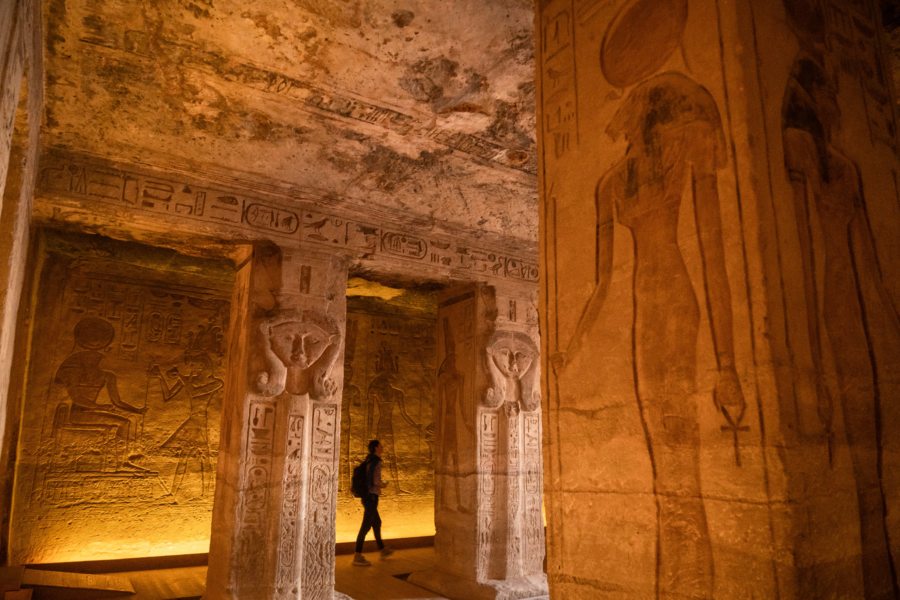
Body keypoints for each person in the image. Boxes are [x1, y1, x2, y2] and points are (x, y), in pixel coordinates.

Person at [353, 439, 393, 566]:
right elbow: (375, 481)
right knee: (366, 526)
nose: (382, 447)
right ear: (376, 448)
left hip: (367, 496)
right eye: (381, 446)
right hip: (371, 497)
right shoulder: (376, 461)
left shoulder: (369, 460)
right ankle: (357, 555)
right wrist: (384, 484)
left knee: (377, 522)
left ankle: (382, 549)